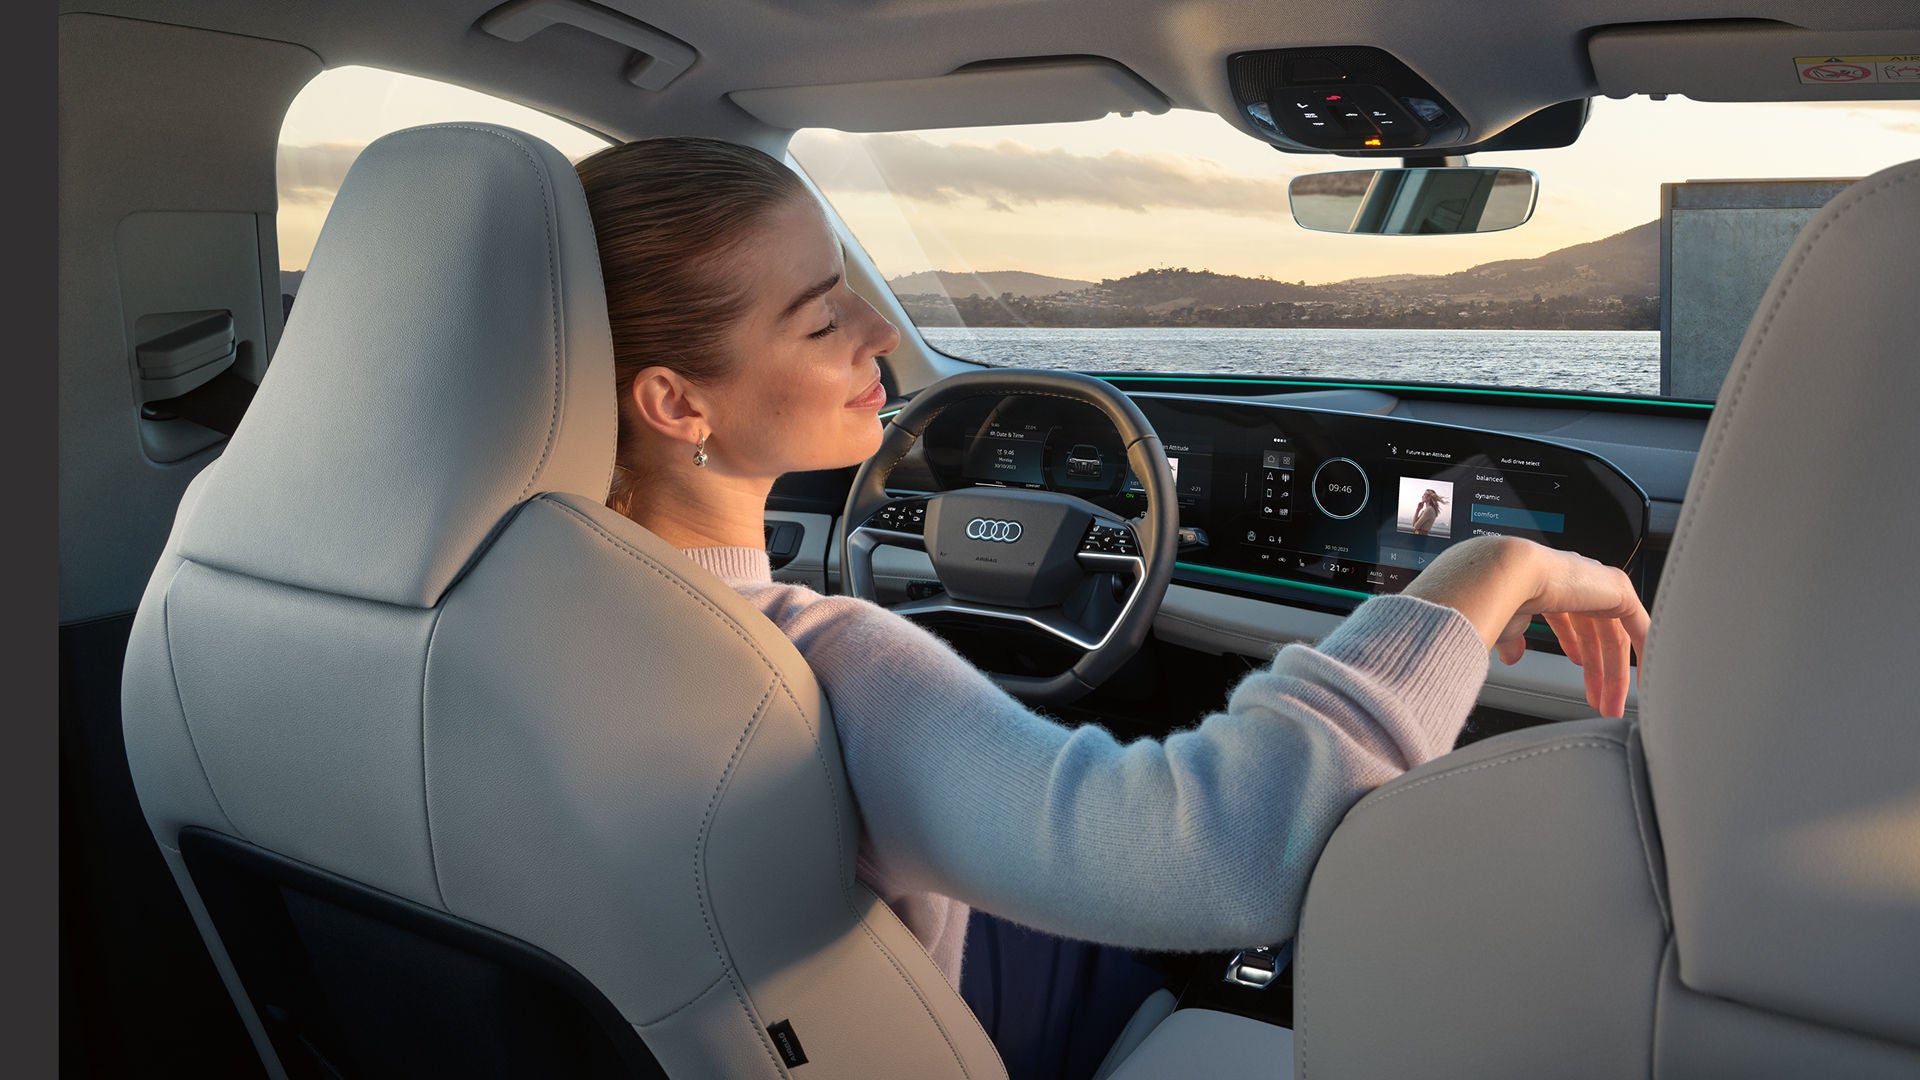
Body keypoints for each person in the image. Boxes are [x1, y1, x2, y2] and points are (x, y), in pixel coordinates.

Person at [574, 137, 1649, 992]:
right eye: (820, 318)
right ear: (676, 403)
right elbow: (1227, 852)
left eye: (852, 287)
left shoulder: (491, 607)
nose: (878, 335)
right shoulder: (818, 665)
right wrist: (1486, 575)